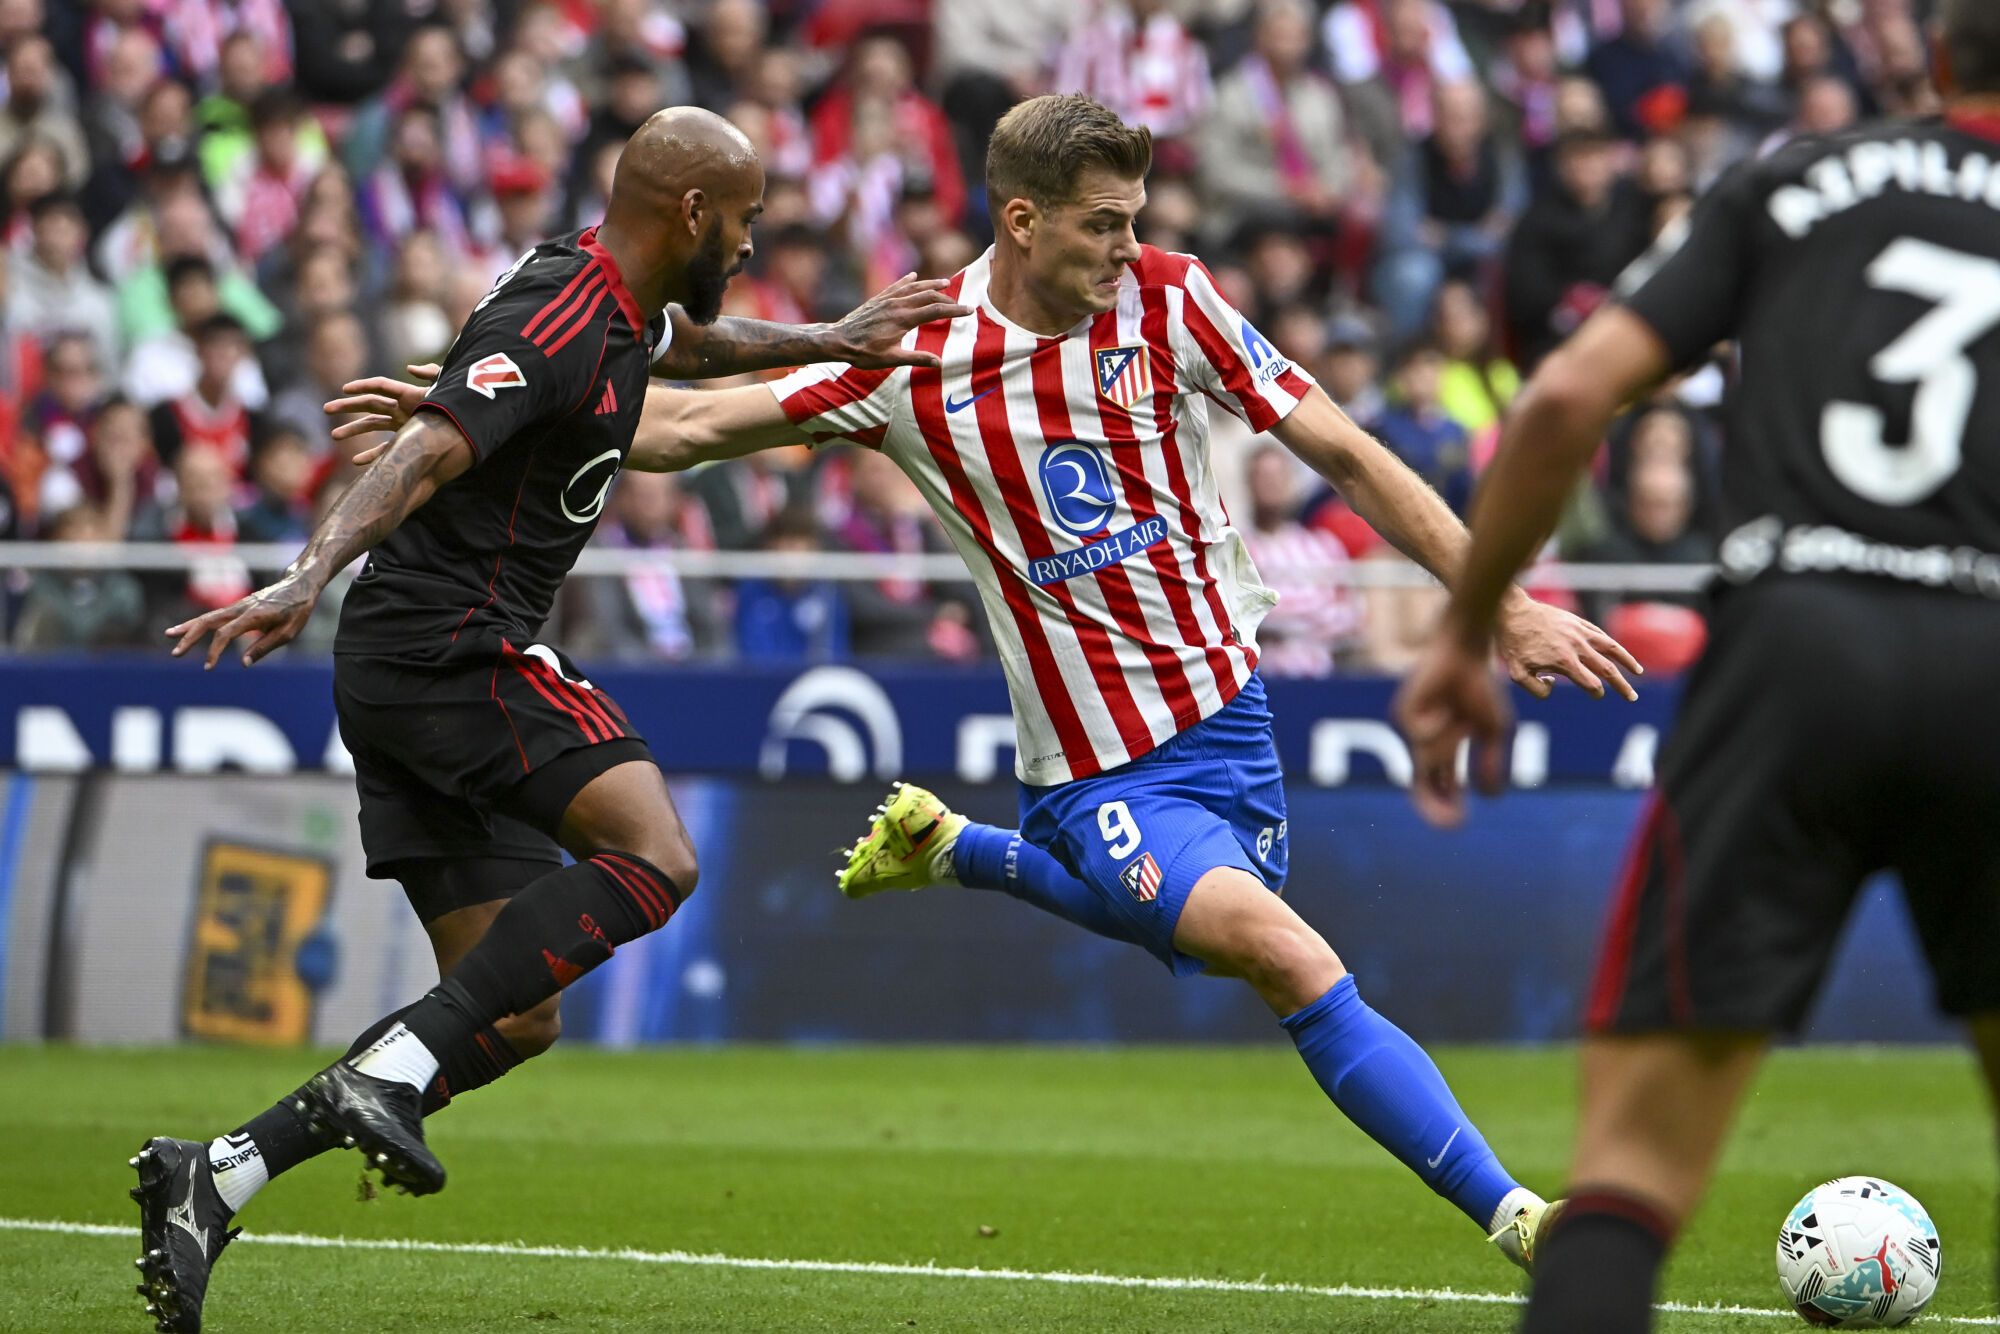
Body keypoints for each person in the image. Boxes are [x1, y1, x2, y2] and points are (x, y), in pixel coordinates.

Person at [346, 93, 1641, 1283]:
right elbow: (684, 430)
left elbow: (1346, 452)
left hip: (1231, 722)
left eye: (1136, 222)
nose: (1125, 250)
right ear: (1021, 219)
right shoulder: (922, 357)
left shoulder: (1176, 303)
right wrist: (499, 403)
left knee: (1213, 931)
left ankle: (963, 850)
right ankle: (1522, 1217)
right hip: (1099, 772)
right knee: (1286, 959)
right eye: (1101, 226)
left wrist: (1504, 606)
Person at [129, 106, 966, 1334]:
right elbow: (420, 449)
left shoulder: (614, 300)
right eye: (742, 219)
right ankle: (387, 1077)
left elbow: (681, 348)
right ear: (691, 210)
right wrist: (307, 571)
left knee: (513, 1010)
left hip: (410, 661)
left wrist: (827, 336)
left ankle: (214, 1173)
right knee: (660, 852)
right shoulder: (559, 310)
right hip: (448, 644)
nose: (748, 241)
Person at [1393, 3, 2000, 1328]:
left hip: (1791, 654)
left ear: (1937, 64)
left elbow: (1560, 400)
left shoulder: (1792, 181)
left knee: (1629, 1176)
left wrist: (1465, 627)